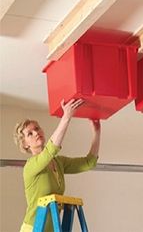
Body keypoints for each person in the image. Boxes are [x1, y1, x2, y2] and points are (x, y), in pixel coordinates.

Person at [13, 99, 101, 232]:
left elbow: (89, 163)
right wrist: (66, 117)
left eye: (37, 129)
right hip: (32, 228)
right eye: (30, 134)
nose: (36, 133)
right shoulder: (30, 167)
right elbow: (50, 149)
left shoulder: (58, 162)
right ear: (25, 144)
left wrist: (97, 132)